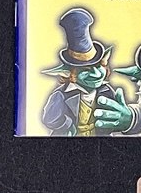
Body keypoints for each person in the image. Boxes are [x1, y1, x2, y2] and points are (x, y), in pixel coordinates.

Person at [41, 8, 121, 137]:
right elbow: (49, 119)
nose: (96, 74)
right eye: (86, 70)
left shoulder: (106, 91)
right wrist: (68, 127)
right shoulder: (61, 95)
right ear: (71, 74)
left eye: (98, 66)